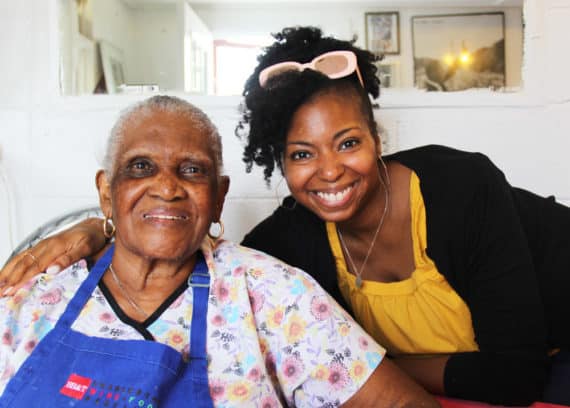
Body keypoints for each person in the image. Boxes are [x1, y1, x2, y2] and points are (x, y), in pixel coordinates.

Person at [2, 26, 569, 405]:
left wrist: (363, 361)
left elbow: (512, 375)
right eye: (302, 154)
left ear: (377, 137)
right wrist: (99, 230)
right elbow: (176, 234)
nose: (328, 171)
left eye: (347, 143)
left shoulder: (459, 186)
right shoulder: (283, 245)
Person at [0, 95, 438, 407]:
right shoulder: (30, 299)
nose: (167, 187)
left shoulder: (275, 296)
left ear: (218, 196)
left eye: (192, 170)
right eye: (140, 167)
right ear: (107, 192)